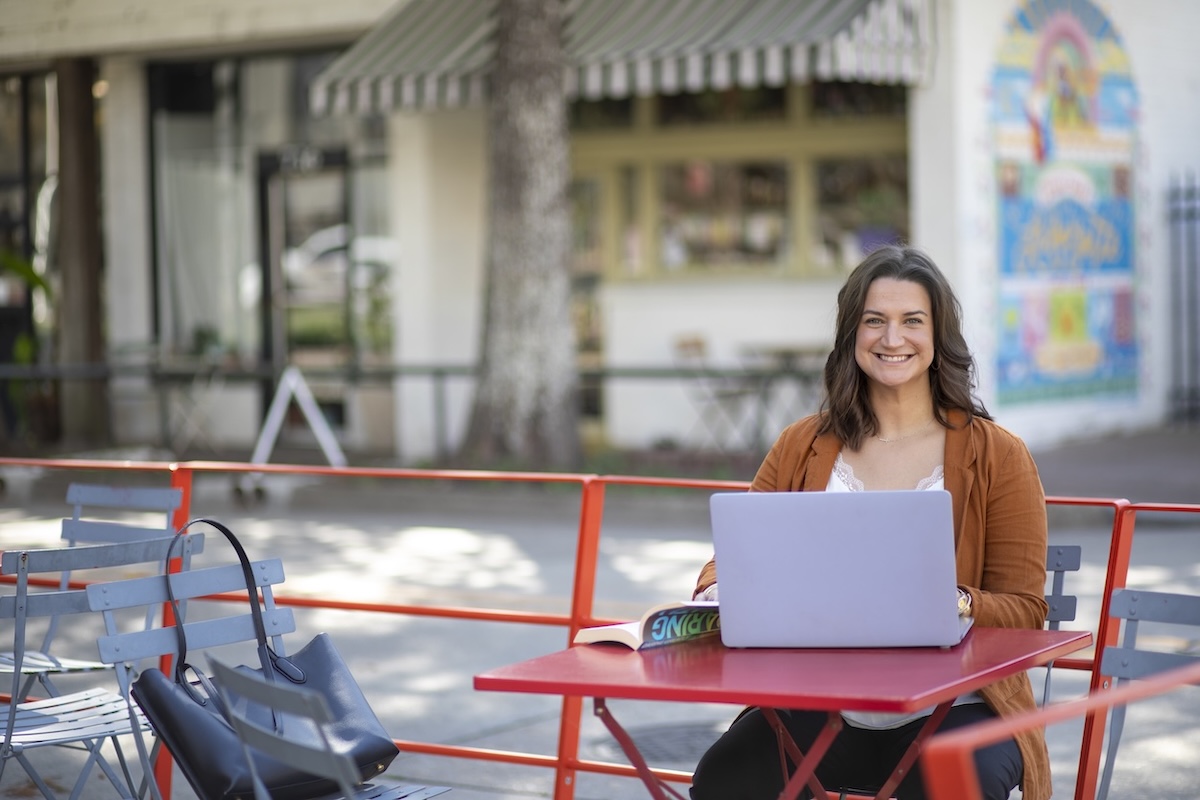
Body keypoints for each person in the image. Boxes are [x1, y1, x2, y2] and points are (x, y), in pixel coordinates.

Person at [689, 245, 1050, 800]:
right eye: (874, 321)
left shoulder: (999, 455)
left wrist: (945, 601)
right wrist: (719, 590)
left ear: (939, 336)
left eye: (912, 321)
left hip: (957, 707)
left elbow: (1026, 612)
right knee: (724, 778)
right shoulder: (801, 444)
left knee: (956, 787)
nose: (892, 338)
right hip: (820, 706)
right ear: (851, 335)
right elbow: (727, 561)